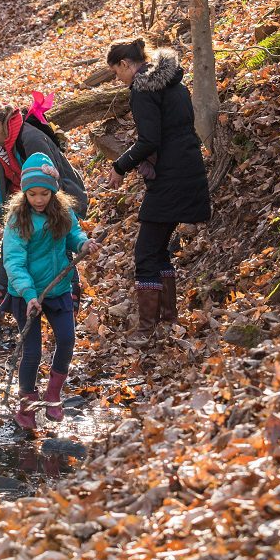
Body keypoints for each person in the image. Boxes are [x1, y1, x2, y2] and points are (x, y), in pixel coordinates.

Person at [0, 100, 88, 324]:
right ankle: (0, 308)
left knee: (58, 248)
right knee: (11, 251)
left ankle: (67, 307)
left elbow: (51, 178)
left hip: (54, 197)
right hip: (22, 205)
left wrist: (51, 208)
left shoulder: (30, 138)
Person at [106, 39, 211, 342]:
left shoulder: (143, 89)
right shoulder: (172, 82)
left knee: (145, 253)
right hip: (188, 169)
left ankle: (146, 329)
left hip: (169, 178)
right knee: (159, 249)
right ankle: (168, 319)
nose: (118, 79)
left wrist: (120, 166)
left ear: (126, 64)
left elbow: (149, 140)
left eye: (116, 72)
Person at [4, 153, 98, 430]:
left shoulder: (63, 212)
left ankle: (53, 394)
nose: (39, 200)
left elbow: (74, 235)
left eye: (44, 193)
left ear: (54, 191)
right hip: (26, 294)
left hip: (58, 289)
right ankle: (27, 406)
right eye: (32, 194)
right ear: (24, 193)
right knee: (32, 351)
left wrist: (83, 244)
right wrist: (29, 294)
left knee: (67, 339)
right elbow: (14, 261)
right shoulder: (18, 219)